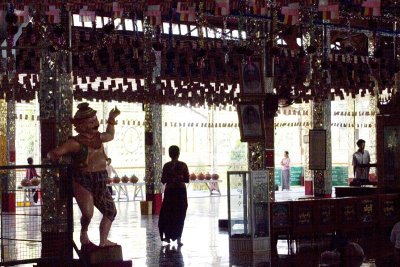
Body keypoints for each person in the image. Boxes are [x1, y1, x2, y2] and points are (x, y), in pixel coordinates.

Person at [47, 102, 120, 250]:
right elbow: (55, 152)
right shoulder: (75, 142)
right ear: (81, 125)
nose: (96, 123)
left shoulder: (99, 137)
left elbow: (111, 135)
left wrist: (111, 119)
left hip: (100, 179)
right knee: (87, 213)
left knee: (110, 211)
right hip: (83, 179)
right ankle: (84, 231)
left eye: (95, 120)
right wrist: (54, 157)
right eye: (91, 121)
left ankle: (103, 240)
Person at [158, 145, 189, 246]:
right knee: (180, 215)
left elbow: (163, 180)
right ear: (178, 154)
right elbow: (187, 179)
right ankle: (179, 238)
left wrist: (171, 178)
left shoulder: (166, 166)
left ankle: (167, 237)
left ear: (169, 154)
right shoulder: (183, 165)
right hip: (180, 192)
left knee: (168, 214)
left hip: (170, 192)